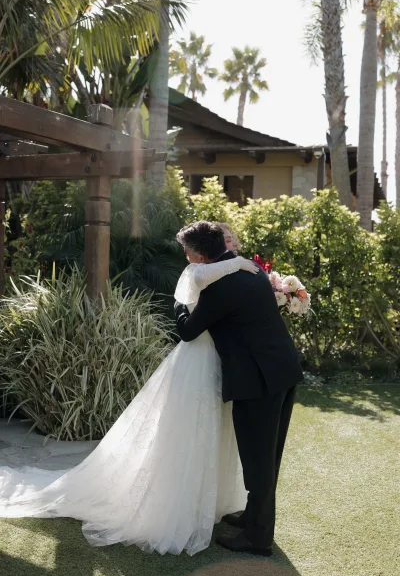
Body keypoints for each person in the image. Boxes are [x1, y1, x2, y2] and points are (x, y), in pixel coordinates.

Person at [0, 248, 258, 556]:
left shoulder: (223, 271)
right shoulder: (199, 272)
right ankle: (174, 503)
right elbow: (193, 319)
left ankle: (207, 499)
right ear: (199, 253)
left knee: (213, 430)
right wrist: (240, 263)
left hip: (217, 359)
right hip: (197, 359)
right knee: (185, 431)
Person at [175, 221, 304, 557]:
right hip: (282, 369)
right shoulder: (252, 271)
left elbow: (188, 331)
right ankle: (253, 514)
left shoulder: (219, 288)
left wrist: (178, 304)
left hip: (257, 380)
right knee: (267, 453)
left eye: (187, 252)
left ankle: (257, 538)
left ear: (201, 256)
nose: (185, 257)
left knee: (258, 458)